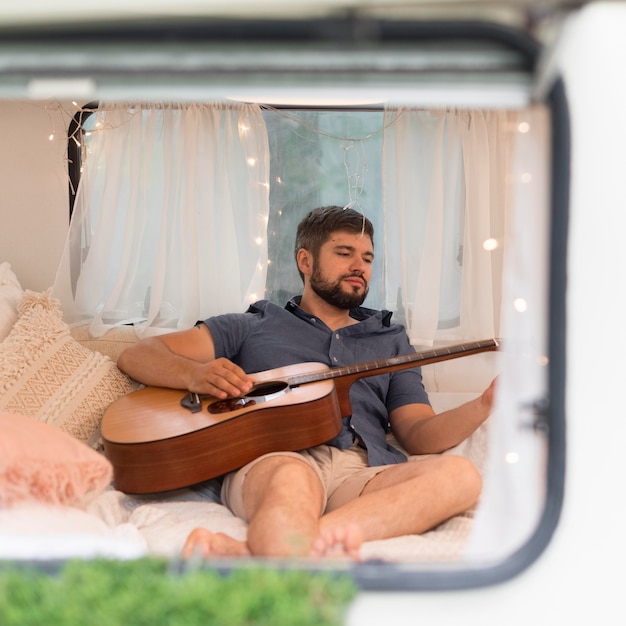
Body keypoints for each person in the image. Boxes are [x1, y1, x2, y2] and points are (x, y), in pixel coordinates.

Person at [117, 205, 496, 560]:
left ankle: (271, 550)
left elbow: (418, 433)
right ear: (305, 261)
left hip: (360, 470)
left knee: (460, 476)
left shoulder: (391, 340)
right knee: (290, 481)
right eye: (344, 253)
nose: (359, 266)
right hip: (278, 459)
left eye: (367, 258)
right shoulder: (253, 325)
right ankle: (296, 549)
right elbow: (138, 355)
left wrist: (484, 405)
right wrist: (195, 375)